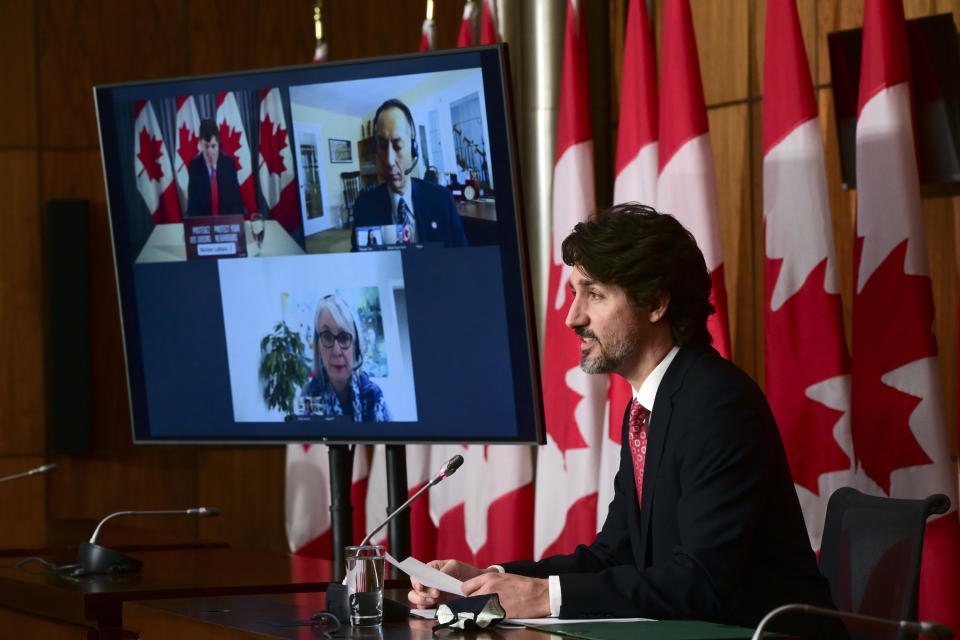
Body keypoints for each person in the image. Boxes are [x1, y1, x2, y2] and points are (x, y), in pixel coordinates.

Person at [409, 204, 839, 637]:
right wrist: (485, 580)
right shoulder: (648, 407)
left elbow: (704, 581)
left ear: (654, 303)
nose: (573, 317)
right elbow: (613, 556)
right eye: (576, 293)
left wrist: (543, 597)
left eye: (593, 294)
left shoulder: (717, 405)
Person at [351, 99, 467, 249]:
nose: (389, 160)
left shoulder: (442, 200)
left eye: (398, 146)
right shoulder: (363, 207)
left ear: (413, 150)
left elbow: (462, 258)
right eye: (382, 146)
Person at [301, 294, 390, 422]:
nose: (337, 351)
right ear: (318, 346)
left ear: (355, 345)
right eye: (327, 337)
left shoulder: (373, 396)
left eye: (343, 338)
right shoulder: (309, 396)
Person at [186, 118, 245, 216]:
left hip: (227, 223)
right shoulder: (194, 166)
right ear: (200, 144)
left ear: (219, 144)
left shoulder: (229, 164)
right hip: (204, 224)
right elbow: (193, 207)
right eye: (206, 146)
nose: (210, 152)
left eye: (213, 146)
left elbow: (236, 203)